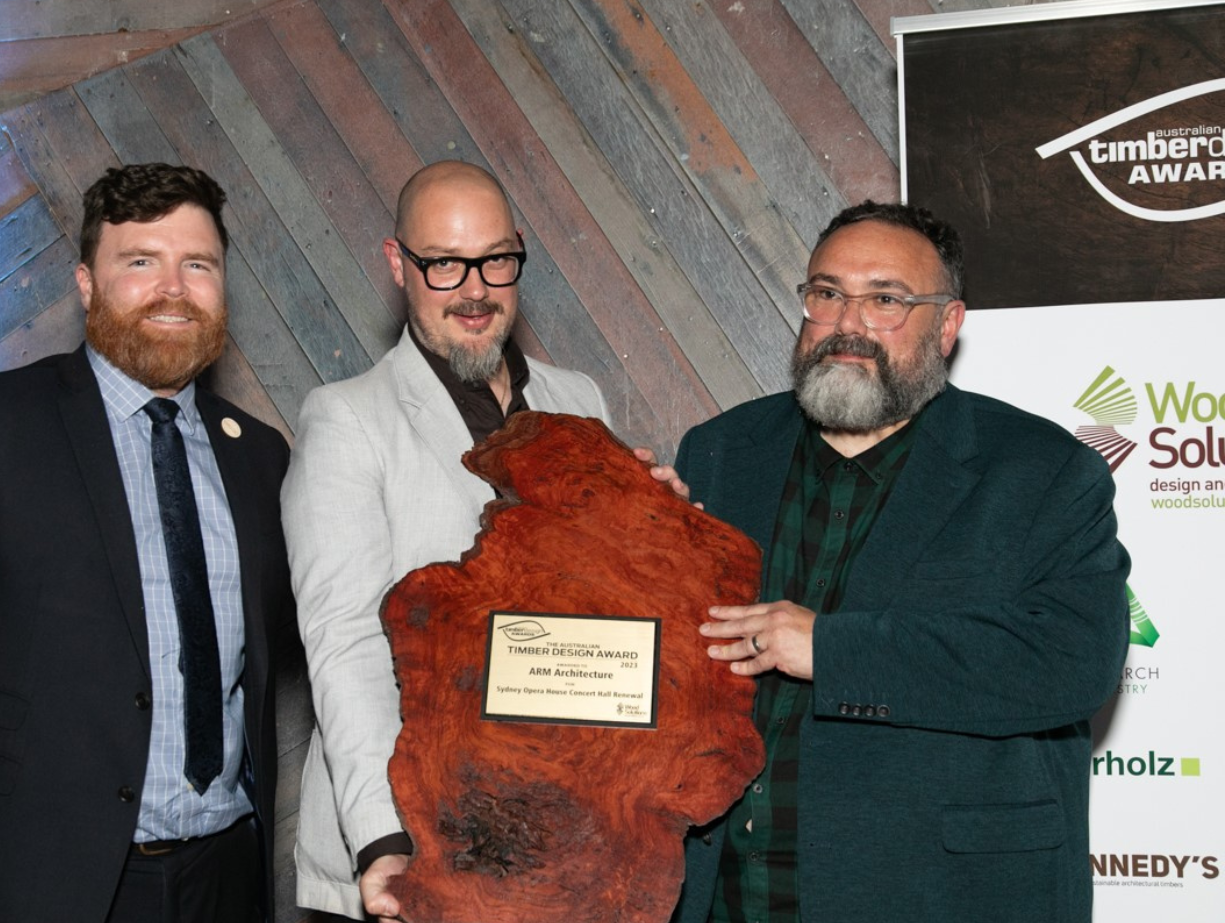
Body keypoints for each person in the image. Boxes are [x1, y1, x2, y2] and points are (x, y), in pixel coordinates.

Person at [0, 163, 293, 923]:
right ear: (85, 283)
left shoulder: (259, 456)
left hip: (223, 877)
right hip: (24, 883)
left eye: (196, 264)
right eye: (140, 262)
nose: (173, 287)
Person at [673, 201, 1129, 923]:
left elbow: (1072, 660)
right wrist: (616, 532)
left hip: (938, 895)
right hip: (726, 894)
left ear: (947, 325)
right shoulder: (720, 452)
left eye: (885, 299)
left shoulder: (1040, 471)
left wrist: (829, 647)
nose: (847, 324)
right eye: (826, 294)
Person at [281, 161, 613, 921]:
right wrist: (382, 840)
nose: (475, 288)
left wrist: (657, 535)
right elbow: (345, 645)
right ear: (399, 265)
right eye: (443, 264)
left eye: (496, 259)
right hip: (412, 849)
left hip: (561, 845)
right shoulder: (347, 420)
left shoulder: (581, 402)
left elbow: (603, 619)